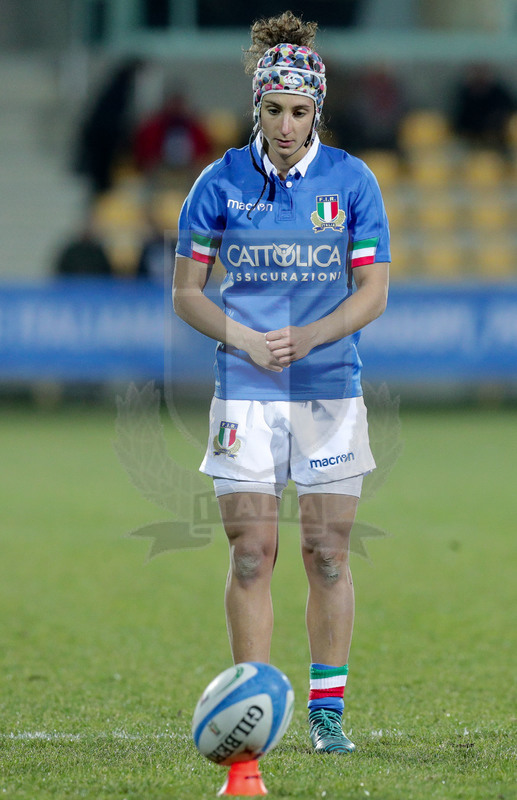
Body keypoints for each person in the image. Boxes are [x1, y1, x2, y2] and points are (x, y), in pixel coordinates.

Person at [173, 10, 390, 755]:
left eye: (299, 111)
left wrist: (313, 336)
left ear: (316, 109)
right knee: (249, 552)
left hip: (329, 389)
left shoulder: (351, 181)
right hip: (244, 389)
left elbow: (372, 293)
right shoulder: (218, 182)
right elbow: (188, 293)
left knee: (327, 552)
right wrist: (245, 340)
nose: (287, 125)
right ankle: (251, 706)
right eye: (275, 110)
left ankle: (327, 715)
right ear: (256, 107)